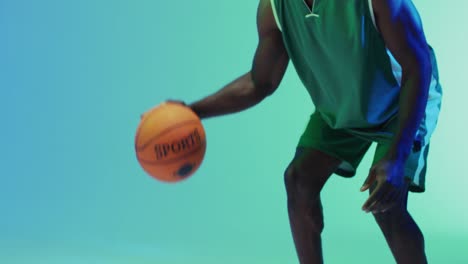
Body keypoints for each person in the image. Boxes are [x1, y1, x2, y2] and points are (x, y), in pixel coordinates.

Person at [153, 0, 443, 263]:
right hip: (341, 106)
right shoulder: (274, 8)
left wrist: (396, 155)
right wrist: (193, 112)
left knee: (387, 206)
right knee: (299, 180)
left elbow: (417, 68)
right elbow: (260, 82)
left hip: (400, 103)